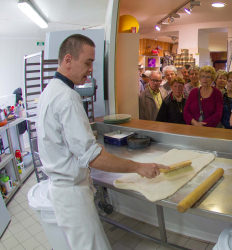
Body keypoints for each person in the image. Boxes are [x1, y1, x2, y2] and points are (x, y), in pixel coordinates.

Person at [37, 34, 167, 250]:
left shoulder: (49, 91)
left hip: (61, 191)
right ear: (68, 59)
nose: (90, 69)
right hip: (72, 194)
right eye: (88, 62)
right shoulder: (67, 97)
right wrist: (138, 167)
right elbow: (93, 157)